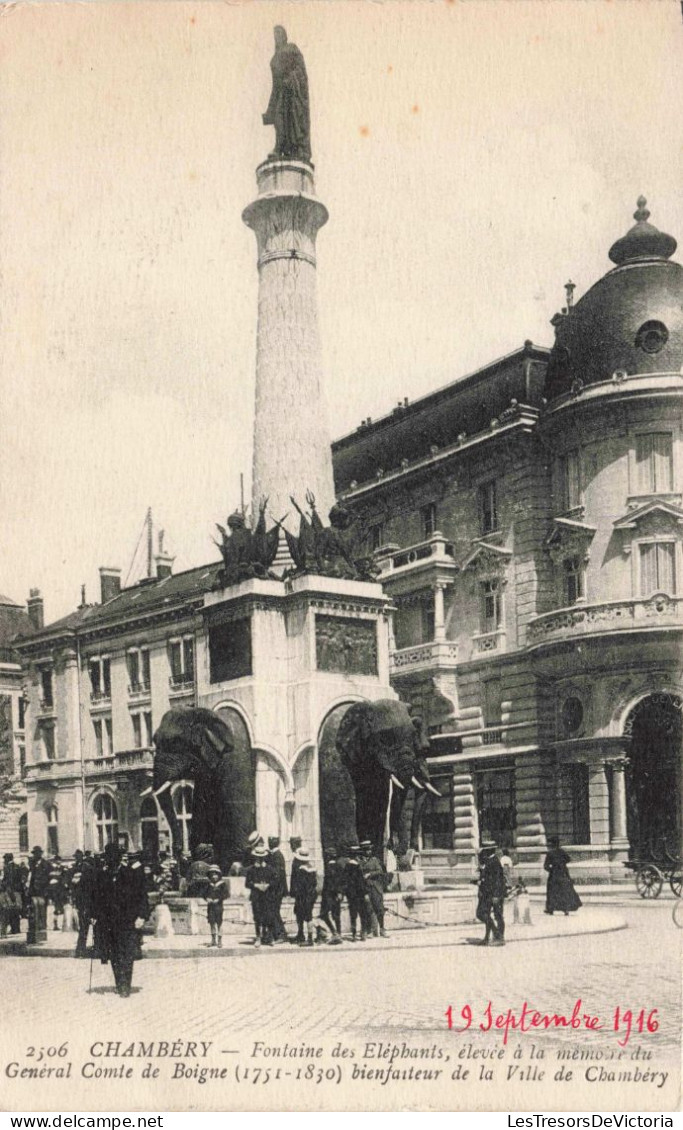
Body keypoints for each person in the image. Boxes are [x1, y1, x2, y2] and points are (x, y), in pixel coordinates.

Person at [92, 843, 149, 997]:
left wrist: (142, 916)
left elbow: (141, 895)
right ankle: (119, 982)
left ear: (118, 859)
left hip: (127, 920)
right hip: (108, 921)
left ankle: (125, 985)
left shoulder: (131, 874)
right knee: (113, 953)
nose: (111, 861)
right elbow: (96, 897)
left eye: (113, 858)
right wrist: (93, 915)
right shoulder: (102, 876)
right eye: (109, 858)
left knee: (127, 953)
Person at [262, 26, 311, 163]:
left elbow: (301, 71)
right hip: (282, 95)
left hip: (294, 95)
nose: (277, 37)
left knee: (294, 122)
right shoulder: (274, 60)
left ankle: (296, 149)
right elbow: (275, 87)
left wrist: (292, 80)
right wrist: (269, 111)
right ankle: (280, 146)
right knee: (279, 118)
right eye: (275, 35)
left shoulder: (292, 49)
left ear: (285, 36)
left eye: (279, 34)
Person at [245, 846, 277, 948]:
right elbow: (247, 883)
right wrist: (256, 885)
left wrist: (268, 885)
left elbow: (275, 881)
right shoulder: (251, 870)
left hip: (268, 896)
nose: (260, 859)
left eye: (261, 857)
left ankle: (270, 937)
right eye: (258, 857)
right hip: (256, 897)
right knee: (258, 917)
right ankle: (258, 937)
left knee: (269, 916)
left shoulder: (270, 869)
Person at [476, 841, 507, 946]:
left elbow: (498, 880)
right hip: (487, 894)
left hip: (494, 894)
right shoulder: (488, 861)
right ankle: (489, 937)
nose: (483, 851)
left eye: (485, 849)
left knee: (498, 915)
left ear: (490, 850)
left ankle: (499, 937)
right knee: (482, 914)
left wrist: (496, 895)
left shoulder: (495, 862)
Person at [544, 837, 582, 915]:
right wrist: (562, 864)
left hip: (554, 875)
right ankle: (566, 908)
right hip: (564, 874)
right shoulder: (562, 852)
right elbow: (568, 859)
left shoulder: (550, 853)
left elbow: (546, 866)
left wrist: (551, 869)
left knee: (552, 892)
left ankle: (551, 909)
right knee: (565, 891)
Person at [69, 850, 97, 957]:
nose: (77, 858)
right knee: (83, 926)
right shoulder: (75, 867)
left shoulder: (86, 868)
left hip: (87, 901)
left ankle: (84, 949)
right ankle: (81, 949)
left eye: (79, 856)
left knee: (86, 926)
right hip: (82, 901)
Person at [359, 840, 389, 938]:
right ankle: (370, 930)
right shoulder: (359, 861)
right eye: (366, 850)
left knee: (379, 909)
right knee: (368, 910)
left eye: (370, 850)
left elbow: (380, 871)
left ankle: (382, 929)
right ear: (363, 850)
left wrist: (370, 874)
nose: (369, 852)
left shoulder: (375, 860)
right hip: (365, 888)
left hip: (375, 888)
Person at [290, 848, 317, 946]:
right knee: (306, 914)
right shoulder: (312, 867)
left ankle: (309, 939)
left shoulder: (301, 869)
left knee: (303, 915)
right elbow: (314, 883)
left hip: (303, 895)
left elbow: (301, 885)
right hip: (311, 895)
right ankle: (302, 935)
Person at [345, 845, 369, 942]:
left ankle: (354, 934)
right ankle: (363, 933)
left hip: (351, 895)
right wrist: (365, 893)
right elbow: (360, 882)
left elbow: (345, 881)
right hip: (359, 894)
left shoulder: (347, 866)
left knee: (353, 914)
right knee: (363, 913)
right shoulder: (357, 866)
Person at [26, 846, 50, 944]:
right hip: (33, 891)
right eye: (35, 853)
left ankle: (42, 928)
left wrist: (47, 889)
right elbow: (30, 877)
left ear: (41, 854)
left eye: (38, 853)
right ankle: (34, 928)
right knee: (32, 910)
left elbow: (51, 877)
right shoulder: (32, 864)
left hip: (43, 891)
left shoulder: (46, 864)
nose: (36, 855)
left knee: (42, 910)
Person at [267, 836, 288, 943]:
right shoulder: (274, 855)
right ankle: (277, 933)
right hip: (275, 889)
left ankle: (281, 935)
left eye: (272, 841)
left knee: (274, 911)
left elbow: (277, 875)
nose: (270, 843)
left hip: (276, 890)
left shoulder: (277, 856)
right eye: (270, 841)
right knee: (273, 911)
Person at [320, 851, 345, 940]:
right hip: (332, 894)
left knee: (324, 914)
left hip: (330, 895)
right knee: (335, 914)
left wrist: (339, 892)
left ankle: (336, 932)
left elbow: (337, 881)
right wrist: (340, 893)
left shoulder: (331, 867)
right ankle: (338, 932)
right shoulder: (337, 866)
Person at [0, 853, 25, 936]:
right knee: (16, 910)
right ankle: (16, 928)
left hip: (10, 891)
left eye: (5, 859)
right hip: (18, 891)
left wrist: (4, 886)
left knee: (9, 909)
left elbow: (8, 880)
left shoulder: (7, 868)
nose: (4, 860)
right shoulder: (17, 867)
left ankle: (12, 929)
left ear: (7, 859)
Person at [205, 864, 228, 948]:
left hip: (218, 907)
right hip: (210, 907)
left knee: (219, 923)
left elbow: (226, 894)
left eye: (216, 874)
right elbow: (204, 894)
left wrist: (219, 899)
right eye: (212, 874)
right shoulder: (208, 885)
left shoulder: (222, 884)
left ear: (219, 875)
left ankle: (220, 940)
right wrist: (207, 898)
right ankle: (213, 940)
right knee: (211, 923)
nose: (214, 876)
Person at [47, 854, 67, 931]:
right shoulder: (51, 869)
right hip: (53, 891)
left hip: (61, 890)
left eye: (59, 860)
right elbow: (49, 879)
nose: (58, 862)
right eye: (57, 860)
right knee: (55, 907)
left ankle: (61, 924)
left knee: (61, 907)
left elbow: (65, 878)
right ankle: (55, 924)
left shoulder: (62, 868)